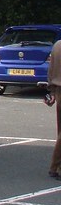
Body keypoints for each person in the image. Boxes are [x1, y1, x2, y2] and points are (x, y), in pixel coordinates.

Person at [45, 39, 61, 180]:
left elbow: (50, 70)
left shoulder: (57, 45)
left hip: (58, 90)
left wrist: (51, 92)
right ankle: (54, 167)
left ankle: (57, 167)